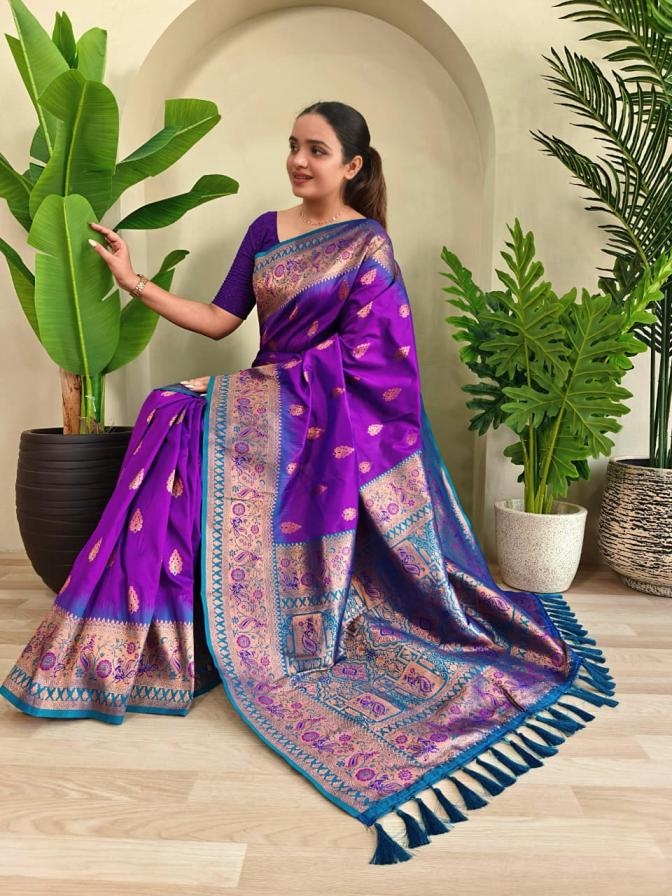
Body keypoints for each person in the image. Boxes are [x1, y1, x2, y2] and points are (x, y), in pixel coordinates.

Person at [1, 101, 616, 864]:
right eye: (293, 145)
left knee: (178, 407)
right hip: (271, 399)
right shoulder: (266, 230)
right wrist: (133, 282)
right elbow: (221, 321)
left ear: (352, 166)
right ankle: (153, 632)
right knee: (166, 409)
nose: (298, 159)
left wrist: (262, 391)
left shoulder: (367, 245)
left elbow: (374, 364)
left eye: (317, 149)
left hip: (326, 418)